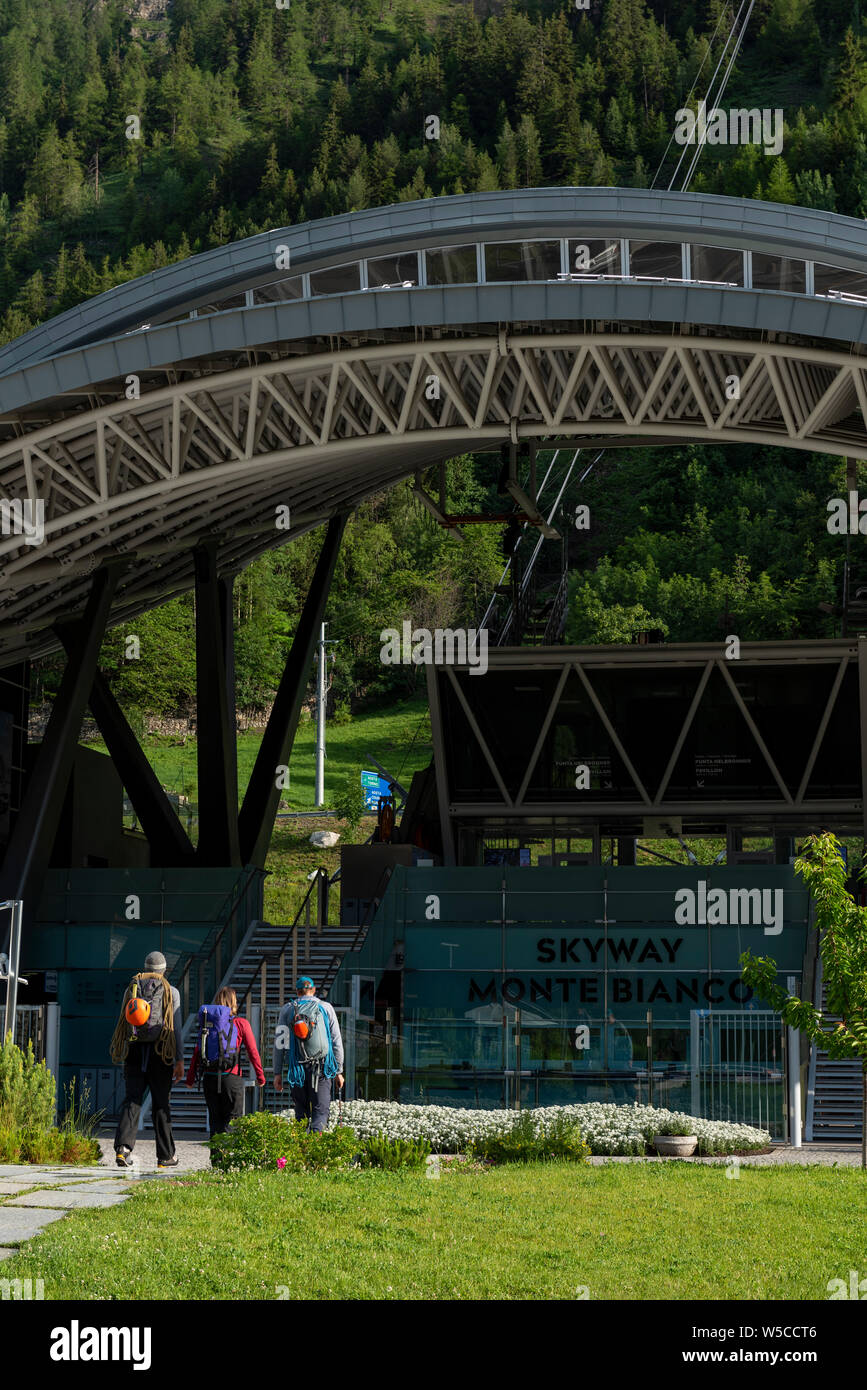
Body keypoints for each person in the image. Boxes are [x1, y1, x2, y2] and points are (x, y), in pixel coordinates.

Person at [111, 950, 184, 1169]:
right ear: (164, 970)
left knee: (133, 1099)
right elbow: (176, 1029)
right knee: (161, 1103)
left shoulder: (131, 989)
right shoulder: (172, 992)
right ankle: (165, 1156)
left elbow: (124, 1022)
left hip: (134, 1050)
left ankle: (123, 1149)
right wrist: (179, 1060)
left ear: (145, 968)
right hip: (161, 1052)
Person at [185, 986, 265, 1143]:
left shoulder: (207, 1025)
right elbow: (252, 1051)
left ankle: (217, 1160)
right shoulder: (241, 1023)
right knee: (233, 1120)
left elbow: (197, 1051)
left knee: (215, 1120)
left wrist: (190, 1079)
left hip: (209, 1077)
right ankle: (229, 1161)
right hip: (232, 1077)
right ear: (233, 1002)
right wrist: (260, 1076)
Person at [273, 976, 344, 1133]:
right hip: (322, 1067)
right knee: (320, 1110)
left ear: (297, 991)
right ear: (313, 990)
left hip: (297, 1068)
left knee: (301, 1111)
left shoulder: (287, 1009)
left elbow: (279, 1044)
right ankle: (315, 1147)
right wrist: (338, 1071)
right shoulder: (326, 1008)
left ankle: (301, 1149)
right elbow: (336, 1041)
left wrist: (277, 1073)